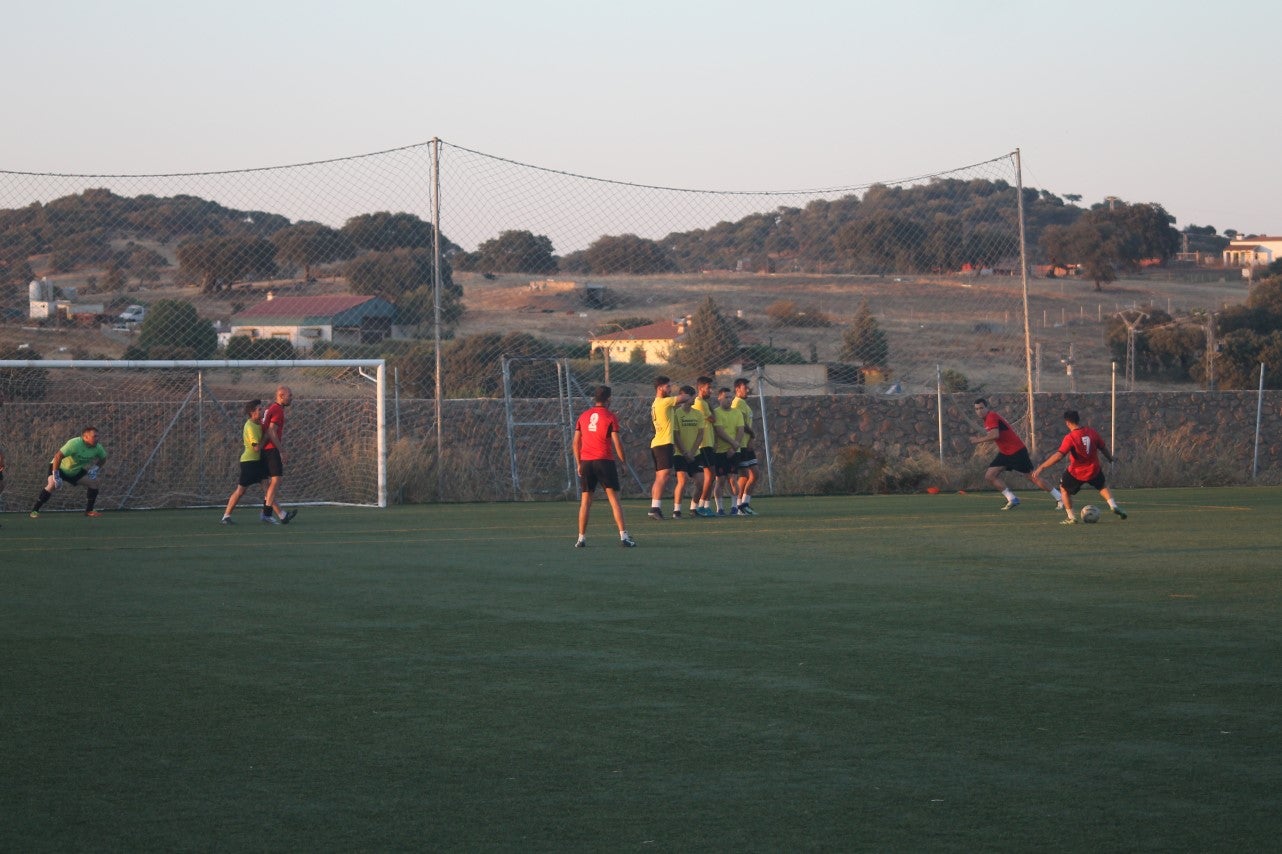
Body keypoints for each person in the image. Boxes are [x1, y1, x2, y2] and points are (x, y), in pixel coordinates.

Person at [1032, 409, 1128, 525]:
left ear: (1067, 422)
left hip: (1076, 472)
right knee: (1102, 486)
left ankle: (1071, 517)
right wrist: (1110, 458)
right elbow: (1103, 448)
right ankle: (1113, 505)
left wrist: (1042, 467)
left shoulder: (1071, 437)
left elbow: (1059, 456)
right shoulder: (1092, 432)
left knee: (1064, 489)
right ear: (1078, 419)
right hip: (1094, 469)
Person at [572, 385, 636, 548]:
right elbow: (617, 442)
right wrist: (623, 462)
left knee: (585, 501)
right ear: (609, 399)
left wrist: (579, 463)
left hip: (586, 462)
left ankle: (581, 538)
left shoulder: (583, 416)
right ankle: (624, 537)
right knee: (614, 500)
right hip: (604, 461)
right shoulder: (610, 416)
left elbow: (575, 442)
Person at [970, 398, 1061, 511]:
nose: (979, 411)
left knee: (1032, 477)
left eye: (981, 408)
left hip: (1016, 451)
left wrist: (977, 440)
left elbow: (995, 435)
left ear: (987, 407)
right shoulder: (987, 419)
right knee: (990, 475)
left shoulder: (991, 416)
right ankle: (1012, 499)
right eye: (977, 409)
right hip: (1005, 453)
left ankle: (1060, 498)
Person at [30, 426, 107, 518]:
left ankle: (89, 511)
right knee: (52, 484)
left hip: (75, 471)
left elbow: (103, 459)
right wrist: (56, 475)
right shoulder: (74, 443)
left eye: (98, 436)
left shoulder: (98, 448)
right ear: (85, 437)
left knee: (94, 483)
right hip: (59, 468)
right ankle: (34, 511)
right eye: (94, 436)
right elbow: (58, 456)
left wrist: (95, 468)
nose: (97, 439)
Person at [647, 376, 688, 520]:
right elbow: (683, 398)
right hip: (663, 444)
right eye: (668, 387)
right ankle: (655, 508)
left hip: (658, 443)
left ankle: (654, 506)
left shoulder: (657, 403)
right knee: (663, 477)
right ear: (660, 388)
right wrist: (692, 395)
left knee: (660, 477)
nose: (670, 389)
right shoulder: (663, 402)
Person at [221, 399, 268, 525]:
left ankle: (272, 514)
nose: (262, 410)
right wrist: (266, 436)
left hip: (258, 461)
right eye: (259, 409)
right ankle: (226, 516)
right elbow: (256, 447)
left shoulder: (259, 423)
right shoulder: (250, 426)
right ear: (252, 413)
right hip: (249, 462)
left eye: (262, 408)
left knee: (268, 489)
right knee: (241, 491)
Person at [259, 385, 297, 525]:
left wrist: (261, 447)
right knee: (275, 481)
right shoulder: (278, 410)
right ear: (281, 396)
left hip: (265, 449)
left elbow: (266, 430)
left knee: (268, 484)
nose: (292, 398)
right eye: (290, 395)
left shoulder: (270, 408)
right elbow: (271, 431)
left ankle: (280, 514)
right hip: (271, 450)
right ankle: (266, 513)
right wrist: (281, 450)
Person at [670, 386, 705, 519]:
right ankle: (677, 510)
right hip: (680, 454)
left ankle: (693, 508)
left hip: (695, 454)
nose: (694, 398)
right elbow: (676, 434)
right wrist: (685, 452)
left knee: (701, 482)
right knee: (682, 481)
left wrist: (692, 451)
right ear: (684, 396)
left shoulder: (698, 414)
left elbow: (701, 434)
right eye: (691, 396)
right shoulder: (676, 414)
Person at [712, 387, 745, 515]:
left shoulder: (737, 413)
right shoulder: (716, 413)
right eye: (726, 397)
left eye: (731, 397)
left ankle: (734, 506)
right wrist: (733, 444)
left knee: (733, 478)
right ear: (719, 398)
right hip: (720, 451)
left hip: (734, 451)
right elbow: (719, 431)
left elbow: (740, 431)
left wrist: (734, 448)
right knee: (720, 480)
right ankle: (719, 508)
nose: (729, 400)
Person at [689, 376, 718, 517]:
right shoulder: (700, 403)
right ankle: (700, 506)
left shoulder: (703, 403)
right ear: (700, 388)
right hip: (704, 444)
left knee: (711, 476)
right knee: (710, 475)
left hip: (708, 443)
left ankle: (704, 505)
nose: (711, 391)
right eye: (708, 388)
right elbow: (713, 418)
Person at [730, 377, 759, 515]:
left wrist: (751, 439)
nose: (748, 390)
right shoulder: (737, 403)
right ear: (737, 389)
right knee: (744, 475)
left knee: (754, 475)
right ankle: (739, 506)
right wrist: (752, 435)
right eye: (745, 387)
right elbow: (741, 423)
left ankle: (744, 503)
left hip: (747, 445)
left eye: (748, 387)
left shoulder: (744, 404)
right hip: (741, 445)